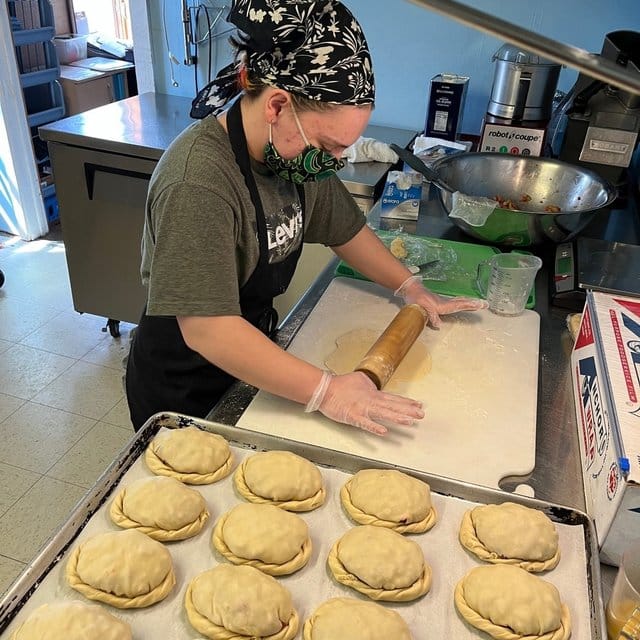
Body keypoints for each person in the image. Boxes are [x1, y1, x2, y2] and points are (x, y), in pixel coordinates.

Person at [125, 0, 486, 435]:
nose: (334, 161)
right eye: (329, 145)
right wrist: (329, 391)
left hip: (250, 364)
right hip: (182, 385)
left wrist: (409, 286)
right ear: (277, 107)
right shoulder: (199, 182)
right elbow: (208, 328)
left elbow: (346, 229)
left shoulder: (294, 160)